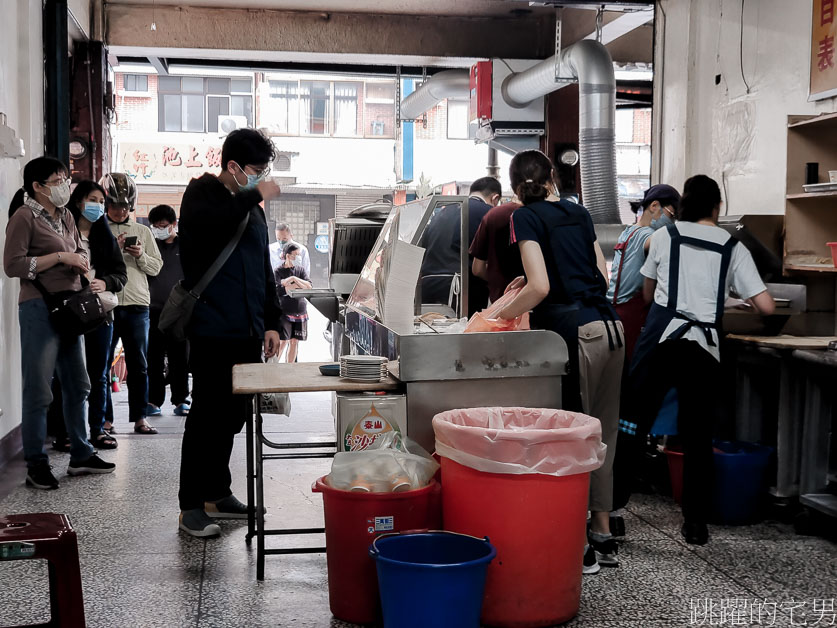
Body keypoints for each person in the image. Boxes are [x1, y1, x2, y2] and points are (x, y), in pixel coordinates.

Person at [613, 175, 774, 547]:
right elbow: (765, 306)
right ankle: (696, 523)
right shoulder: (732, 245)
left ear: (683, 204)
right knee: (697, 434)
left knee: (633, 421)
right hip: (704, 346)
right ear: (717, 209)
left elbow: (648, 294)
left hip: (661, 339)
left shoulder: (662, 237)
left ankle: (613, 508)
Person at [496, 150, 624, 574]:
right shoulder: (579, 212)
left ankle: (577, 545)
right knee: (601, 433)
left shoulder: (524, 217)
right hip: (611, 329)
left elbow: (541, 286)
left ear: (515, 186)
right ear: (552, 178)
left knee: (569, 437)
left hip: (575, 336)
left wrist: (496, 315)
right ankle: (603, 535)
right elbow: (602, 278)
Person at [177, 128, 282, 538]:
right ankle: (190, 507)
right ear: (233, 166)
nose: (260, 178)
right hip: (211, 327)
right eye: (256, 170)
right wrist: (255, 194)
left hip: (247, 329)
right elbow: (215, 223)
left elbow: (262, 268)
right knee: (206, 415)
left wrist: (272, 320)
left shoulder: (251, 208)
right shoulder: (202, 194)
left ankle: (217, 494)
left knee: (233, 416)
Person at [3, 157, 116, 489]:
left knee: (78, 383)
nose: (65, 185)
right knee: (38, 388)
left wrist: (81, 263)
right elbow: (12, 265)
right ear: (38, 187)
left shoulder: (65, 216)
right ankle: (36, 462)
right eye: (58, 180)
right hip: (39, 307)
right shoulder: (24, 217)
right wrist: (60, 258)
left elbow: (77, 249)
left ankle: (81, 453)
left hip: (71, 307)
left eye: (66, 178)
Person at [49, 181, 128, 451]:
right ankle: (65, 433)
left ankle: (96, 430)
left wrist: (105, 282)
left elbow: (120, 275)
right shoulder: (62, 231)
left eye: (100, 201)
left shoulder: (104, 235)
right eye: (92, 199)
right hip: (68, 312)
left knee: (98, 373)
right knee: (66, 374)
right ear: (78, 200)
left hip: (98, 314)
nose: (97, 206)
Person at [101, 172, 163, 434]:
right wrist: (111, 251)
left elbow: (156, 267)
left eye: (124, 206)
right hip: (106, 305)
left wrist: (139, 256)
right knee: (102, 365)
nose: (119, 211)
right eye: (115, 206)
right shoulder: (97, 228)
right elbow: (90, 265)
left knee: (139, 365)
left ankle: (140, 417)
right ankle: (106, 419)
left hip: (137, 305)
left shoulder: (142, 231)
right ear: (106, 204)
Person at [607, 184, 680, 362]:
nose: (673, 222)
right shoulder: (647, 235)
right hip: (631, 316)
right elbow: (656, 242)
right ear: (654, 206)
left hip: (613, 313)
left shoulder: (629, 231)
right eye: (672, 215)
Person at [419, 177, 501, 314]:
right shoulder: (489, 213)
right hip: (460, 291)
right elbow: (482, 267)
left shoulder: (442, 212)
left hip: (427, 287)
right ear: (495, 198)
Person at [146, 204, 190, 417]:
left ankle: (181, 399)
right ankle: (153, 400)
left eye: (163, 225)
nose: (159, 230)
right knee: (153, 356)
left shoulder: (187, 246)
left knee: (179, 357)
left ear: (174, 224)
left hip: (180, 311)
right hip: (153, 309)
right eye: (155, 226)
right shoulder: (150, 246)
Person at [470, 200, 523, 303]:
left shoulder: (494, 214)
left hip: (500, 299)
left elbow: (477, 269)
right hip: (537, 302)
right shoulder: (544, 215)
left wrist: (498, 281)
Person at [275, 242, 312, 363]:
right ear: (288, 255)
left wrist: (293, 279)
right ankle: (272, 366)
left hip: (300, 310)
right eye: (296, 255)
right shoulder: (278, 271)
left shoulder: (300, 270)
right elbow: (281, 289)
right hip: (285, 310)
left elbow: (309, 286)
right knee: (283, 341)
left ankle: (289, 368)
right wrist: (293, 286)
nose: (299, 257)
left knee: (294, 341)